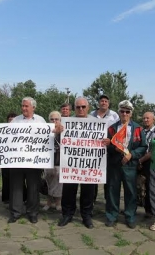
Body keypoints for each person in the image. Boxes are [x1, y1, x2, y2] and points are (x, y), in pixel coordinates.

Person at [105, 100, 147, 229]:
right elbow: (107, 146)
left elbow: (143, 146)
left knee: (131, 191)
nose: (124, 114)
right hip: (115, 164)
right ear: (119, 112)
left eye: (127, 111)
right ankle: (112, 215)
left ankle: (130, 216)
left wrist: (132, 155)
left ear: (131, 113)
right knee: (112, 190)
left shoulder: (138, 128)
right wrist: (114, 148)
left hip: (130, 165)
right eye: (122, 111)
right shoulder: (111, 128)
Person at [58, 97, 96, 229]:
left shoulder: (96, 123)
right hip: (70, 163)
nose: (81, 109)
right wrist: (58, 132)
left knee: (88, 191)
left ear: (88, 107)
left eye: (83, 107)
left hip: (88, 164)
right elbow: (58, 141)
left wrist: (105, 141)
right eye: (78, 107)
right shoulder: (67, 122)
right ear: (74, 108)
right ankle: (67, 214)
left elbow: (102, 141)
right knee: (68, 190)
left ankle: (86, 216)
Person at [8, 97, 46, 224]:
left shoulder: (41, 121)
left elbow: (47, 138)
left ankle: (33, 213)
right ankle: (15, 212)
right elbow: (6, 136)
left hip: (34, 161)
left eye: (26, 106)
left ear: (33, 108)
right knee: (16, 187)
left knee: (33, 187)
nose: (23, 108)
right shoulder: (15, 121)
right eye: (22, 106)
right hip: (17, 160)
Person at [90, 94, 119, 202]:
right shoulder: (91, 114)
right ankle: (92, 201)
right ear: (99, 103)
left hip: (109, 150)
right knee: (93, 177)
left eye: (106, 101)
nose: (104, 103)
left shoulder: (114, 115)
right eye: (102, 101)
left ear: (108, 103)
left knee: (108, 178)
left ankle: (108, 202)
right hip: (94, 150)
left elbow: (118, 131)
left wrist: (111, 141)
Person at [138, 112, 155, 217]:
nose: (145, 120)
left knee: (150, 186)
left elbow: (153, 150)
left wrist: (141, 160)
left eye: (148, 118)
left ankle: (149, 211)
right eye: (144, 118)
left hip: (150, 162)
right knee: (135, 186)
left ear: (153, 120)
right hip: (137, 160)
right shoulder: (139, 131)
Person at [42, 111, 63, 211]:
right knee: (48, 181)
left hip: (59, 161)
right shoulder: (44, 131)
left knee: (59, 182)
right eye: (52, 119)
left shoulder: (64, 131)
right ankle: (49, 202)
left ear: (60, 120)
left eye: (56, 119)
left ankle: (58, 203)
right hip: (48, 160)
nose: (54, 121)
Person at [1, 112, 18, 204]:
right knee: (6, 178)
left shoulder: (21, 130)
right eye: (10, 119)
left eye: (13, 119)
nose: (11, 121)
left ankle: (22, 197)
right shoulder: (3, 130)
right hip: (6, 158)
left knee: (18, 179)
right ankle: (6, 197)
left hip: (18, 159)